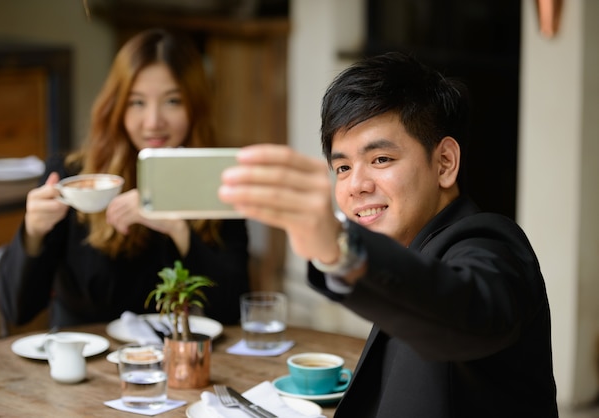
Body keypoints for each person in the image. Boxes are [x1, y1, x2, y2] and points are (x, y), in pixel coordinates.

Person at [218, 52, 558, 417]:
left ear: (444, 163)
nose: (356, 186)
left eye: (381, 159)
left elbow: (463, 309)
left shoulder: (492, 246)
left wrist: (340, 247)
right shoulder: (411, 248)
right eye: (343, 167)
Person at [0, 28, 250, 328]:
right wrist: (33, 232)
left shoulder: (221, 179)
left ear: (195, 106)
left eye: (172, 101)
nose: (154, 121)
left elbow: (234, 312)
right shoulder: (74, 176)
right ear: (116, 107)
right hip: (89, 360)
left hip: (177, 360)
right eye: (137, 102)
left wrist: (177, 228)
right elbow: (18, 311)